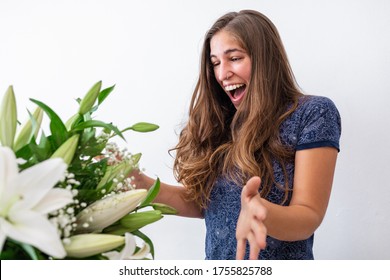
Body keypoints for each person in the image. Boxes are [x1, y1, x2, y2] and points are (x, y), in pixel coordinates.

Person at [131, 9, 341, 260]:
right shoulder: (220, 121)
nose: (222, 74)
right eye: (215, 63)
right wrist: (142, 186)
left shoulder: (312, 113)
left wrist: (261, 210)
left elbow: (308, 216)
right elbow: (206, 204)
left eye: (235, 58)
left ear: (265, 59)